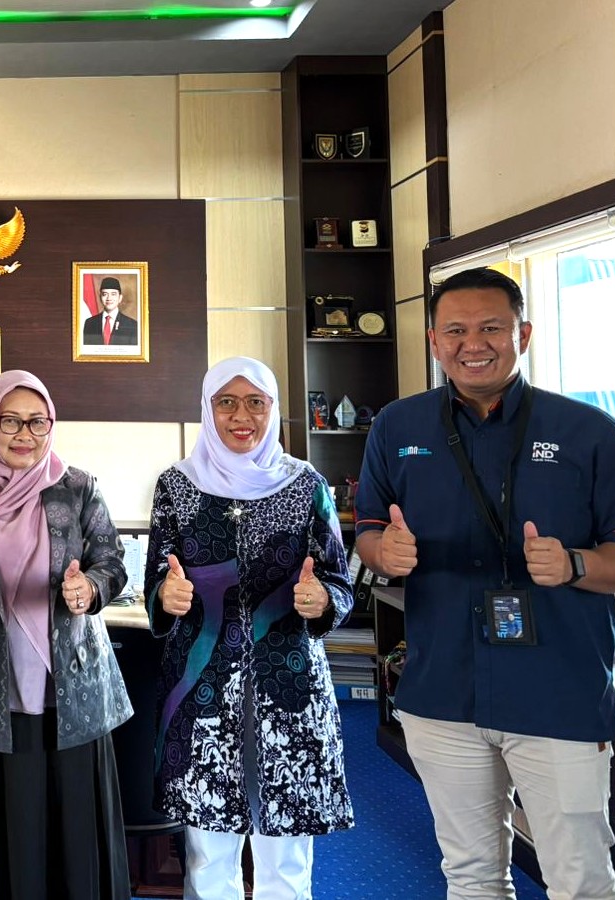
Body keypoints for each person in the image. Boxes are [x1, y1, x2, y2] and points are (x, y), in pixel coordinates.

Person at [355, 267, 615, 900]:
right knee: (471, 876)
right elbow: (369, 533)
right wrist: (386, 551)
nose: (474, 344)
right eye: (455, 331)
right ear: (434, 341)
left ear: (522, 334)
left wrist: (575, 565)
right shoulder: (398, 427)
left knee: (581, 881)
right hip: (442, 691)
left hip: (558, 691)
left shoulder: (588, 431)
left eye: (491, 328)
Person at [145, 356, 354, 900]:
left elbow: (340, 581)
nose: (242, 416)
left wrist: (322, 598)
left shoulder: (306, 484)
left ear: (274, 409)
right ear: (207, 409)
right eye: (227, 402)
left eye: (256, 402)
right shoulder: (177, 486)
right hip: (203, 691)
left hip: (289, 689)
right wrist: (166, 595)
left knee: (286, 855)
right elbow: (156, 579)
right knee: (208, 857)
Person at [0, 370, 132, 900]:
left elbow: (111, 563)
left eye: (38, 422)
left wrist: (90, 589)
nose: (24, 434)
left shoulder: (78, 488)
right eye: (9, 421)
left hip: (72, 692)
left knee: (74, 829)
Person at [81, 276, 138, 346]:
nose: (109, 298)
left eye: (113, 294)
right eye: (105, 294)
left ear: (120, 298)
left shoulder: (132, 325)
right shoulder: (89, 323)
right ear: (100, 297)